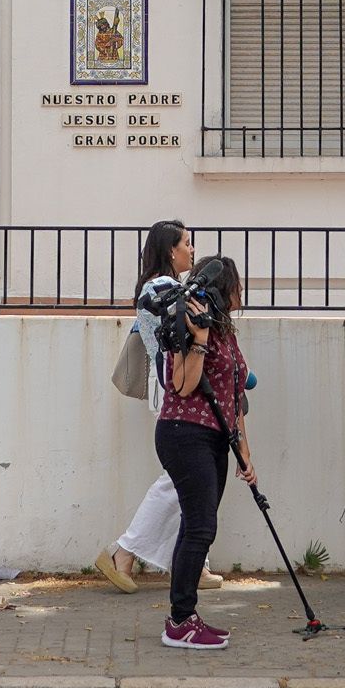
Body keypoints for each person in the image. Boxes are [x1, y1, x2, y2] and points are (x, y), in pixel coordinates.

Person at [153, 254, 255, 651]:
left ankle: (184, 616)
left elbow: (235, 396)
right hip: (184, 433)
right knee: (200, 526)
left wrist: (247, 456)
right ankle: (180, 621)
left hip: (213, 436)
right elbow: (181, 385)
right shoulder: (189, 323)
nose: (241, 292)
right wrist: (197, 340)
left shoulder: (224, 329)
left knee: (198, 526)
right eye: (237, 285)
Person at [97, 221, 198, 595]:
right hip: (174, 386)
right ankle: (124, 551)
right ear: (171, 251)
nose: (192, 249)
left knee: (194, 476)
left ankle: (194, 561)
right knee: (181, 475)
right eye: (187, 243)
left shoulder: (164, 288)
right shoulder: (161, 289)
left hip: (175, 385)